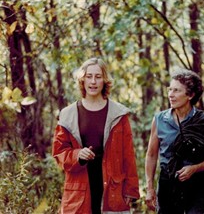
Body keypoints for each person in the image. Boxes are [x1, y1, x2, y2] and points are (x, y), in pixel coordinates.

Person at [52, 57, 140, 214]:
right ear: (82, 80)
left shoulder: (119, 114)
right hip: (79, 188)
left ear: (105, 80)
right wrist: (78, 154)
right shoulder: (68, 114)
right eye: (89, 76)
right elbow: (59, 152)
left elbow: (128, 154)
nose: (93, 81)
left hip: (112, 188)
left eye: (98, 77)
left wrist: (130, 189)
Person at [145, 68, 204, 214]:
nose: (171, 95)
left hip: (197, 185)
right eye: (170, 89)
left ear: (190, 95)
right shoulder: (160, 119)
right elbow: (151, 155)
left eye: (176, 91)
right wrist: (150, 188)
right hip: (168, 183)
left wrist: (194, 168)